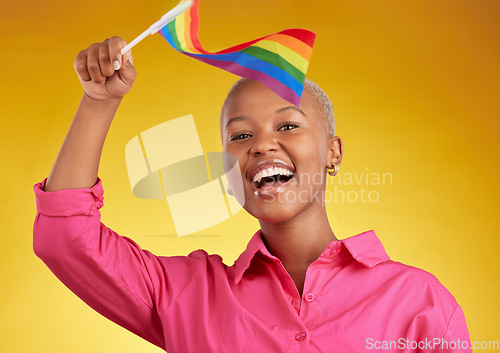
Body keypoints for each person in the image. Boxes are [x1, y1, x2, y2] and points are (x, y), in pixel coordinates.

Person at [33, 37, 472, 352]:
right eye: (240, 136)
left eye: (287, 126)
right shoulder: (187, 295)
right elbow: (65, 239)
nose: (261, 145)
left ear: (332, 153)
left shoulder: (419, 302)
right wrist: (97, 102)